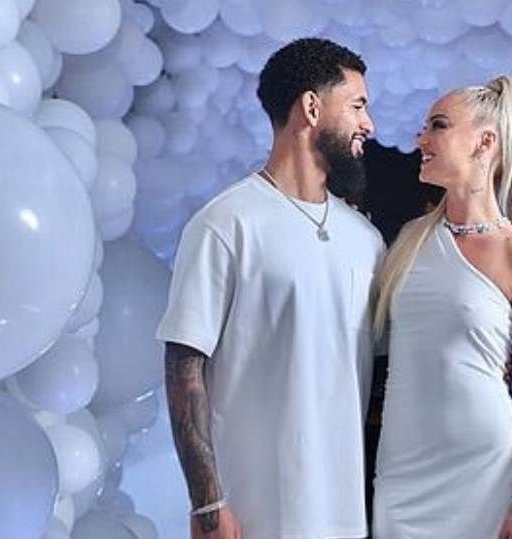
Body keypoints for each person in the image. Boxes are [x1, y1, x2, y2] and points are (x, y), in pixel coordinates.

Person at [157, 38, 384, 539]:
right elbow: (183, 368)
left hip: (346, 518)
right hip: (252, 517)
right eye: (358, 106)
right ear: (312, 107)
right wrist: (208, 505)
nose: (368, 124)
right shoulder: (224, 224)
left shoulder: (367, 241)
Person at [372, 75, 512, 539]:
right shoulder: (408, 241)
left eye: (438, 126)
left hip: (488, 476)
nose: (421, 140)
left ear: (484, 142)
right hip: (402, 474)